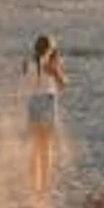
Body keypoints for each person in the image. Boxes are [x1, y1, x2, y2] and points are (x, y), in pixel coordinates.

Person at [25, 33, 69, 199]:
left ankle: (32, 185)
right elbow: (62, 84)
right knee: (46, 148)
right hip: (47, 102)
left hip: (32, 103)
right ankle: (44, 187)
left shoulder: (28, 62)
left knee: (35, 147)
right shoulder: (49, 65)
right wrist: (59, 69)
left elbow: (27, 81)